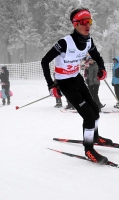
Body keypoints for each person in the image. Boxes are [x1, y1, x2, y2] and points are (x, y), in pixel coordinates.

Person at [41, 8, 112, 164]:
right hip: (65, 83)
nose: (88, 25)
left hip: (76, 78)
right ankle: (89, 150)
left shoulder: (88, 41)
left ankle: (95, 137)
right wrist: (51, 85)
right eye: (84, 22)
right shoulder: (64, 43)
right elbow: (44, 61)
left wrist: (102, 69)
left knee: (95, 109)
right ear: (75, 24)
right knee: (88, 115)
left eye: (90, 21)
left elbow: (97, 57)